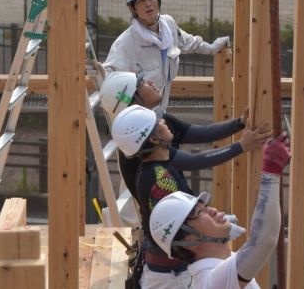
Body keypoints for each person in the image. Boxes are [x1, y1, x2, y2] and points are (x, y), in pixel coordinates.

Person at [112, 105, 271, 288]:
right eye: (159, 123)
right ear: (155, 138)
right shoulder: (160, 181)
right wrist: (215, 230)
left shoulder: (158, 161)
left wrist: (239, 126)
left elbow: (198, 159)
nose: (164, 121)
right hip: (171, 278)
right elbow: (183, 230)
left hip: (166, 271)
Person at [148, 134, 291, 289]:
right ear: (190, 241)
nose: (213, 210)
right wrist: (271, 170)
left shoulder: (220, 265)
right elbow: (263, 240)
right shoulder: (211, 283)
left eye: (206, 207)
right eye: (200, 213)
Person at [103, 74, 269, 203]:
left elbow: (203, 133)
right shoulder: (138, 142)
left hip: (180, 215)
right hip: (173, 229)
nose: (150, 82)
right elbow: (194, 161)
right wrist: (240, 146)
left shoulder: (160, 122)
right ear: (133, 101)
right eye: (142, 83)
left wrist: (239, 123)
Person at [105, 0, 231, 112]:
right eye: (141, 1)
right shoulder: (126, 43)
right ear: (133, 9)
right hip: (138, 120)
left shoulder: (168, 25)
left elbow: (189, 42)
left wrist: (212, 48)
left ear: (158, 0)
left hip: (161, 112)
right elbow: (107, 78)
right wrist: (97, 72)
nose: (148, 4)